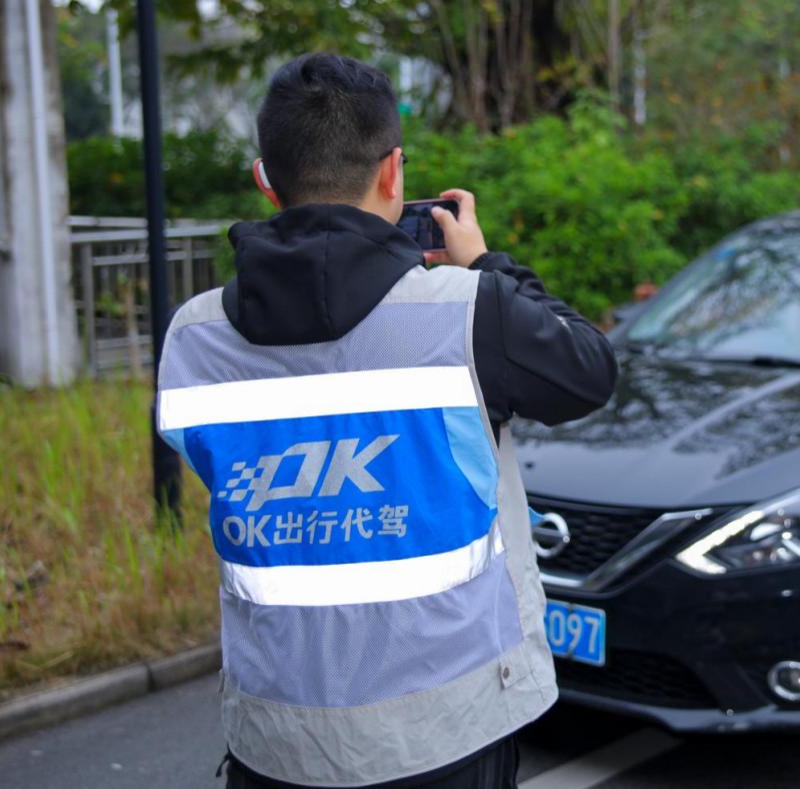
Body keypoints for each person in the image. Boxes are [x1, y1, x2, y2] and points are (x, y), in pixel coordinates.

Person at [154, 53, 618, 788]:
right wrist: (490, 266)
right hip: (448, 737)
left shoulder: (192, 336)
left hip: (275, 743)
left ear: (265, 179)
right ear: (394, 173)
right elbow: (590, 370)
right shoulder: (468, 311)